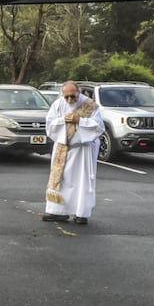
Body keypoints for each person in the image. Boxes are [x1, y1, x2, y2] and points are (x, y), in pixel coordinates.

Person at [42, 81, 105, 225]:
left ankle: (81, 213)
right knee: (61, 181)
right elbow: (50, 124)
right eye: (67, 97)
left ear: (79, 92)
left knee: (81, 182)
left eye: (73, 96)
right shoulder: (58, 105)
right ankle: (58, 212)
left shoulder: (90, 105)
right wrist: (63, 120)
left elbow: (99, 127)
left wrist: (80, 121)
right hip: (63, 148)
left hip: (83, 150)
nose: (70, 100)